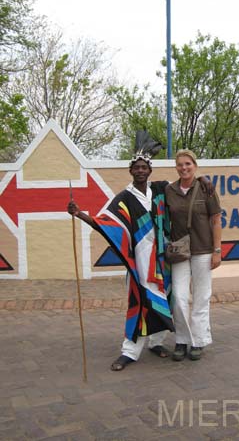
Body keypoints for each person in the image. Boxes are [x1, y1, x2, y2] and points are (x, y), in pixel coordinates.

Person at [67, 131, 174, 371]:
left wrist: (204, 184)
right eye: (136, 167)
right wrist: (79, 214)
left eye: (144, 166)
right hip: (140, 264)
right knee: (139, 302)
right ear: (130, 171)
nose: (140, 170)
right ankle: (129, 351)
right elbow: (105, 222)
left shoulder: (160, 190)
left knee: (164, 298)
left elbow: (184, 191)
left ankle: (156, 342)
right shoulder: (124, 198)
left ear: (150, 169)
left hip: (162, 260)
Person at [165, 149, 222, 361]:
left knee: (201, 297)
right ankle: (181, 339)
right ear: (176, 167)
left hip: (203, 250)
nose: (184, 168)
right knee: (179, 297)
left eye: (188, 164)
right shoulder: (169, 190)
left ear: (194, 165)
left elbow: (216, 220)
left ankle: (198, 341)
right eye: (180, 164)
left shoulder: (206, 188)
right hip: (180, 251)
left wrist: (217, 251)